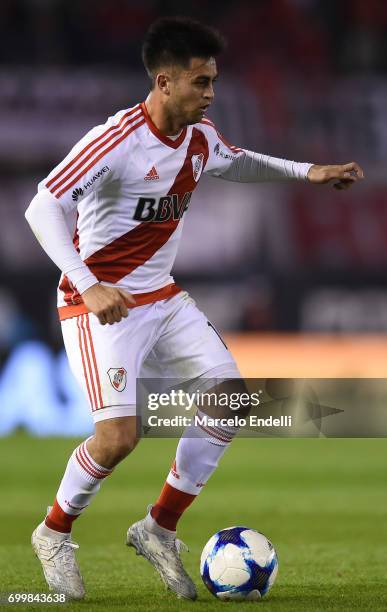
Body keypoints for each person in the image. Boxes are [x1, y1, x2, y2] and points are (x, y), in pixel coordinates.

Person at [25, 16, 364, 602]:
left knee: (229, 398)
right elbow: (41, 207)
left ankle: (158, 526)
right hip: (96, 304)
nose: (211, 94)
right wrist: (89, 282)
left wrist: (311, 172)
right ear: (164, 81)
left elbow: (241, 160)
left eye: (213, 82)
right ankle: (54, 533)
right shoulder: (116, 141)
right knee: (117, 440)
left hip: (161, 295)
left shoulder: (200, 137)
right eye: (200, 82)